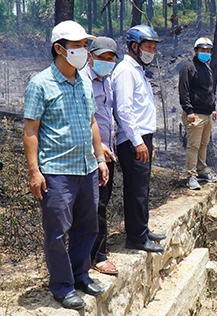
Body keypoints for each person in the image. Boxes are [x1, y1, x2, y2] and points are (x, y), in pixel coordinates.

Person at [23, 20, 109, 310]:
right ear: (59, 48)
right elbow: (31, 130)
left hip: (85, 167)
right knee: (57, 231)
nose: (83, 50)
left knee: (87, 226)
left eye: (85, 45)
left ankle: (80, 274)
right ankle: (62, 285)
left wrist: (99, 158)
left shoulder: (84, 80)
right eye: (77, 46)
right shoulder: (40, 84)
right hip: (57, 170)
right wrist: (35, 171)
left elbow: (92, 121)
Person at [112, 25, 166, 253]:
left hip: (142, 136)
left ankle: (141, 229)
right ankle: (135, 237)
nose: (151, 51)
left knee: (142, 188)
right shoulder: (125, 70)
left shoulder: (138, 70)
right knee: (135, 188)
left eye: (153, 48)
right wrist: (137, 141)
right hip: (132, 139)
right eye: (148, 46)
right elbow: (124, 109)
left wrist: (146, 140)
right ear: (134, 46)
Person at [80, 37, 119, 275]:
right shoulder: (82, 81)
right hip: (90, 152)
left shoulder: (107, 81)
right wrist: (98, 148)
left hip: (107, 151)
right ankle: (96, 256)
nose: (106, 62)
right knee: (93, 204)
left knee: (102, 201)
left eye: (110, 59)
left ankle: (97, 249)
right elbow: (85, 119)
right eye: (101, 58)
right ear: (90, 56)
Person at [178, 37, 217, 190]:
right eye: (203, 50)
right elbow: (184, 91)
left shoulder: (207, 69)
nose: (206, 53)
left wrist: (213, 108)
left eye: (208, 51)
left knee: (203, 144)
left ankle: (202, 170)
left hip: (206, 114)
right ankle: (191, 175)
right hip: (195, 114)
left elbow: (209, 91)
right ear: (195, 51)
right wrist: (189, 110)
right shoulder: (189, 68)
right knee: (193, 145)